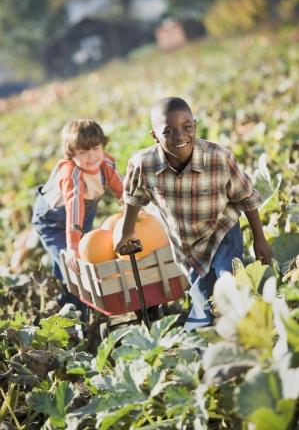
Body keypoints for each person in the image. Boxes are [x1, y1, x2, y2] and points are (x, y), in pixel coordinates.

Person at [114, 97, 272, 330]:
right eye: (168, 131)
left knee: (228, 283)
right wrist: (127, 231)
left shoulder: (218, 158)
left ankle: (245, 329)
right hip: (185, 244)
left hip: (222, 230)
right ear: (154, 136)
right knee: (205, 301)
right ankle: (204, 337)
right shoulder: (143, 164)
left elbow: (246, 197)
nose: (180, 137)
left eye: (186, 127)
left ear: (195, 126)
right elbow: (133, 196)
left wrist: (260, 238)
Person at [32, 119, 123, 317]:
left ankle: (62, 305)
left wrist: (132, 212)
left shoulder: (106, 163)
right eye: (83, 152)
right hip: (53, 223)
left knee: (68, 265)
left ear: (102, 145)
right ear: (72, 154)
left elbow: (121, 189)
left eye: (95, 148)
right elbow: (74, 206)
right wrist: (73, 248)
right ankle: (76, 316)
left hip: (82, 220)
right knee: (73, 267)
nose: (91, 156)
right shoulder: (71, 174)